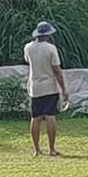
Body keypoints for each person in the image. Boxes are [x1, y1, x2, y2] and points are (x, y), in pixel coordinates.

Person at [21, 20, 67, 157]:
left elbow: (27, 61)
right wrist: (63, 88)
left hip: (34, 87)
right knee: (50, 117)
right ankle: (51, 149)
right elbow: (57, 70)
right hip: (49, 87)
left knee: (35, 117)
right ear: (48, 35)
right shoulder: (51, 48)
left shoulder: (28, 47)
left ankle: (37, 149)